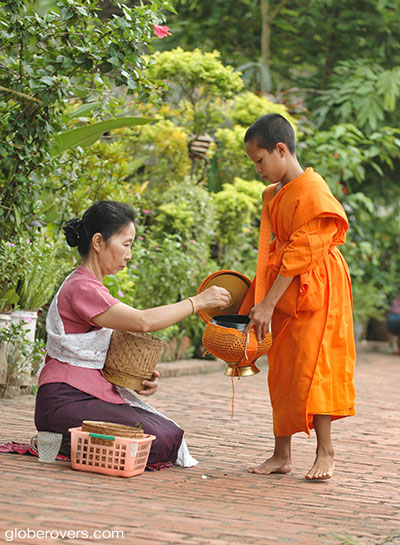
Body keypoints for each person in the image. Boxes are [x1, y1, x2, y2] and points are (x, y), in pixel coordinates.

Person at [34, 201, 231, 468]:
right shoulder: (82, 287)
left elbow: (99, 352)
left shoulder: (91, 286)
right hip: (63, 400)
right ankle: (67, 440)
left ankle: (75, 441)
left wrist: (138, 378)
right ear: (99, 242)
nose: (129, 255)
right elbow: (142, 321)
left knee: (170, 434)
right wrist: (197, 302)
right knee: (158, 440)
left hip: (86, 396)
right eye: (126, 244)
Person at [241, 113, 356, 480]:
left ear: (280, 149)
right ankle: (282, 453)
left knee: (314, 362)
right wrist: (258, 296)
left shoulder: (313, 191)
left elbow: (303, 252)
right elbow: (274, 249)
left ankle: (326, 450)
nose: (257, 169)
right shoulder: (273, 194)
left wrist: (268, 302)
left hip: (319, 282)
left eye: (259, 161)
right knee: (283, 365)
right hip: (284, 281)